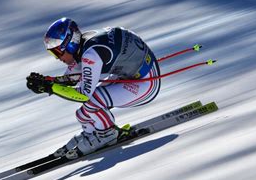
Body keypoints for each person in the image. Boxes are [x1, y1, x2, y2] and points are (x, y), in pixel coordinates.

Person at [26, 17, 161, 158]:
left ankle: (107, 135)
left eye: (57, 52)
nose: (57, 58)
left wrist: (50, 88)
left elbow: (83, 94)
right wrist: (47, 82)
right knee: (83, 114)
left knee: (93, 101)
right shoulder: (82, 46)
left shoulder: (91, 54)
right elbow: (72, 78)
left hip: (147, 82)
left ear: (70, 43)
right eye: (52, 53)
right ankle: (93, 133)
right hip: (130, 76)